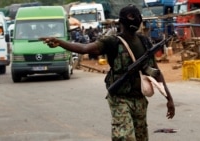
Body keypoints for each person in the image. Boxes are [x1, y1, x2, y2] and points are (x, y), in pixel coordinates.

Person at [39, 4, 175, 141]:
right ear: (121, 22)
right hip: (119, 98)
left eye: (136, 17)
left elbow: (156, 72)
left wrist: (169, 98)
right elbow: (85, 48)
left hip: (139, 98)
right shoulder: (112, 42)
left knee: (141, 138)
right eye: (131, 17)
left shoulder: (144, 41)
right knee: (124, 137)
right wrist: (61, 43)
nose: (134, 20)